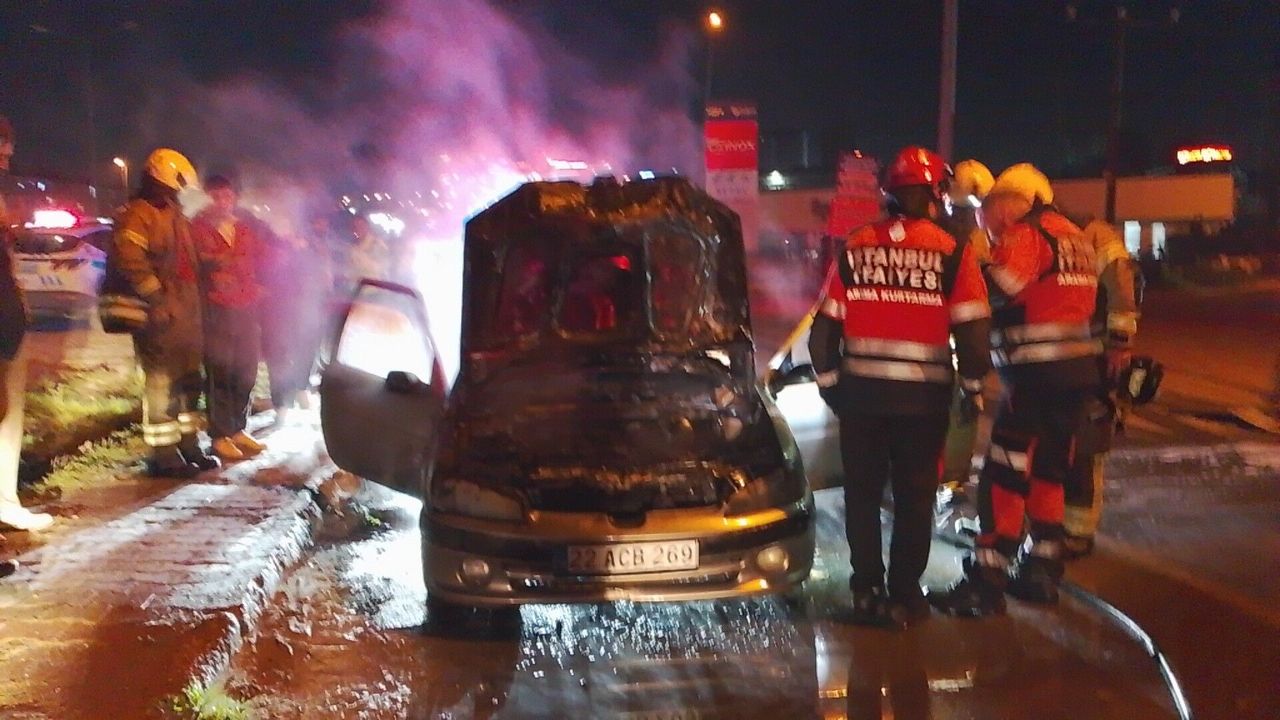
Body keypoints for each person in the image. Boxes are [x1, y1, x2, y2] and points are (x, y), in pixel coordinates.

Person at [809, 146, 992, 628]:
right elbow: (973, 333)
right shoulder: (953, 250)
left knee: (862, 496)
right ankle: (905, 595)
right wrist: (972, 388)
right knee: (914, 499)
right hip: (923, 405)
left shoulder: (857, 246)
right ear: (934, 194)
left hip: (862, 401)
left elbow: (822, 334)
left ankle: (866, 590)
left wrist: (833, 389)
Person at [932, 163, 1102, 616]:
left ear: (1013, 205)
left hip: (1035, 377)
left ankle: (986, 582)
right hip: (1076, 375)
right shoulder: (1075, 237)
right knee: (1049, 470)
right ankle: (1042, 570)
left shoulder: (1029, 234)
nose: (990, 223)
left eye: (990, 211)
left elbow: (995, 291)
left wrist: (970, 267)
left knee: (1004, 474)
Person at [111, 148, 215, 477]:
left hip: (186, 311)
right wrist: (156, 300)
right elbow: (131, 260)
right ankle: (163, 455)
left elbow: (189, 260)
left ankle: (189, 445)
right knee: (162, 384)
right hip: (161, 313)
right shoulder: (138, 214)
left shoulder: (173, 213)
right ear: (159, 181)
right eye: (172, 188)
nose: (175, 194)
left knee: (189, 381)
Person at [1062, 215, 1140, 558]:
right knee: (1068, 444)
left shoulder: (1096, 237)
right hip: (1071, 357)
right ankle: (1061, 524)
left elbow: (1121, 289)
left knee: (1086, 446)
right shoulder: (1072, 234)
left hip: (1094, 357)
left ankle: (1078, 531)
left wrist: (1119, 343)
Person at [0, 113, 55, 540]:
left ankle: (5, 505)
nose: (7, 153)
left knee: (7, 416)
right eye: (2, 143)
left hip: (7, 330)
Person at [191, 175, 269, 462]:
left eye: (227, 196)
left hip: (246, 307)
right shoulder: (198, 228)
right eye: (217, 196)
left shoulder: (244, 228)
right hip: (217, 309)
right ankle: (220, 435)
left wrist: (262, 286)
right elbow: (197, 265)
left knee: (246, 369)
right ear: (208, 198)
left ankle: (238, 428)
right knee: (220, 371)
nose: (223, 201)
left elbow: (264, 259)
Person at [938, 159, 996, 488]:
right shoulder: (968, 239)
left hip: (960, 336)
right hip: (958, 336)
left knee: (962, 408)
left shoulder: (973, 236)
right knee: (963, 407)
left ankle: (951, 476)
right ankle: (951, 477)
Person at [259, 214, 333, 425]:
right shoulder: (274, 248)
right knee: (280, 357)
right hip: (281, 311)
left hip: (308, 309)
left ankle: (300, 388)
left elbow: (322, 277)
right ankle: (282, 405)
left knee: (306, 352)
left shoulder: (312, 248)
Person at [348, 214, 390, 286]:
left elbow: (384, 266)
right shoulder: (353, 247)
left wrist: (363, 261)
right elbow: (350, 268)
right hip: (356, 287)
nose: (359, 229)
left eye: (361, 226)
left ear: (367, 227)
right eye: (355, 226)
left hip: (374, 286)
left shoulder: (377, 243)